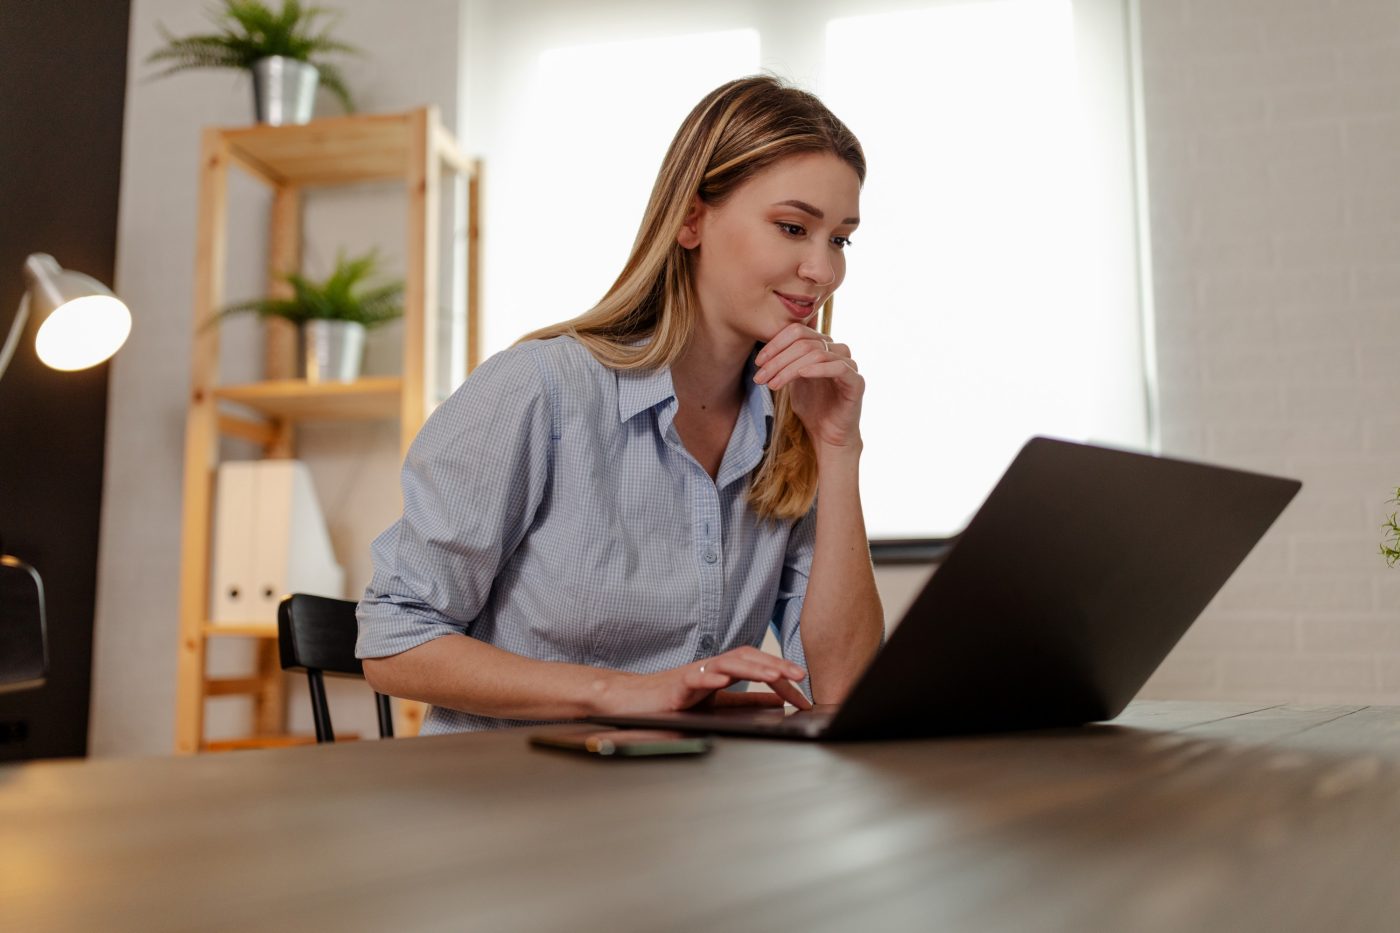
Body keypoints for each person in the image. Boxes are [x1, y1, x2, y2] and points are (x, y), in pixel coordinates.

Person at [356, 75, 884, 735]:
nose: (824, 270)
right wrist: (621, 692)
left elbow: (845, 690)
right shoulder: (540, 389)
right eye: (792, 226)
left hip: (686, 806)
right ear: (692, 219)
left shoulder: (791, 426)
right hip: (508, 807)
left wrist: (839, 450)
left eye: (840, 239)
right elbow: (394, 640)